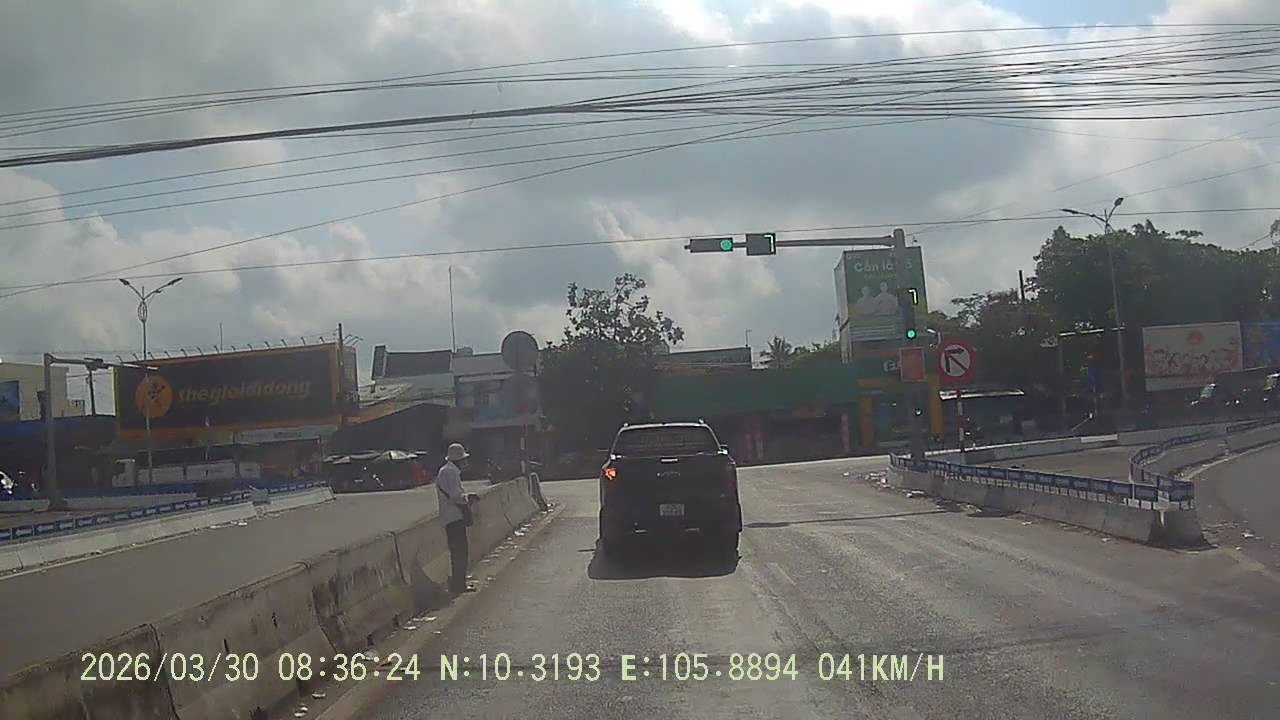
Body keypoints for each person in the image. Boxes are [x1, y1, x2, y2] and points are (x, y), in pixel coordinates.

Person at [436, 443, 475, 594]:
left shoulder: (446, 471)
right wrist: (468, 499)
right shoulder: (451, 472)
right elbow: (456, 497)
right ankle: (459, 585)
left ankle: (458, 584)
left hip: (449, 518)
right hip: (454, 518)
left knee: (457, 552)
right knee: (460, 552)